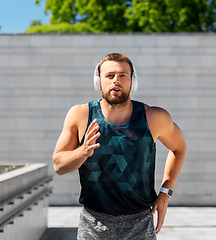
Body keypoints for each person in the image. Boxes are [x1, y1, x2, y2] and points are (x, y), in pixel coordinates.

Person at [53, 53, 187, 239]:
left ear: (133, 82)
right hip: (93, 224)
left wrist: (165, 192)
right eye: (109, 75)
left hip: (140, 223)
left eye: (123, 75)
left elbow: (179, 148)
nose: (116, 80)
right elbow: (59, 166)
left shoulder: (154, 117)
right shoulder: (80, 115)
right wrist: (83, 152)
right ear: (98, 81)